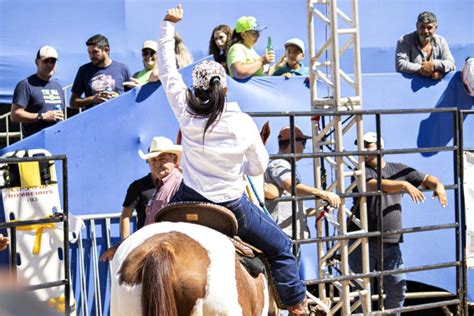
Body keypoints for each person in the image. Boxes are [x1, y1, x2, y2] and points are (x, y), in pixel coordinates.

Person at [158, 5, 308, 314]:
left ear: (195, 89)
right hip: (230, 207)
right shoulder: (242, 123)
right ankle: (297, 307)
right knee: (282, 248)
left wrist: (168, 26)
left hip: (187, 199)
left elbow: (166, 71)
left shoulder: (185, 112)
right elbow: (258, 167)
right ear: (224, 88)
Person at [348, 132, 448, 314]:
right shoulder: (359, 171)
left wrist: (438, 185)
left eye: (367, 145)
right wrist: (404, 185)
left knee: (397, 288)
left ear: (380, 149)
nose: (362, 149)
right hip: (362, 242)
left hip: (390, 242)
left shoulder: (398, 169)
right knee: (358, 293)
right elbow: (372, 184)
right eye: (360, 145)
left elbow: (426, 178)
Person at [100, 136, 183, 261]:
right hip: (155, 251)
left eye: (163, 159)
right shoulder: (157, 185)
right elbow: (127, 216)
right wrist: (125, 244)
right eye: (153, 160)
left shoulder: (180, 183)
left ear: (174, 159)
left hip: (166, 254)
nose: (158, 164)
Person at [265, 126, 341, 240]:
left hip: (286, 235)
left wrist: (316, 212)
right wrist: (323, 193)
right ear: (293, 142)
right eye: (303, 142)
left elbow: (290, 205)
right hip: (284, 235)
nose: (304, 147)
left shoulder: (282, 164)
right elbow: (290, 186)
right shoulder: (280, 163)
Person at [10, 45, 65, 137]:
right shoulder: (25, 85)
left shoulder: (58, 86)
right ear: (37, 62)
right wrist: (42, 116)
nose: (50, 65)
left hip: (57, 140)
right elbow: (15, 115)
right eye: (46, 61)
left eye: (53, 61)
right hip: (35, 144)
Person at [70, 34, 131, 109]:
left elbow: (131, 98)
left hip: (119, 117)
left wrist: (118, 97)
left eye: (95, 52)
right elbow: (73, 102)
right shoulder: (84, 70)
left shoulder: (122, 69)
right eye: (89, 52)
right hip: (94, 119)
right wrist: (93, 99)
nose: (91, 56)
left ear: (107, 50)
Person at [395, 11, 455, 79]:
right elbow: (400, 64)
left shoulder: (441, 41)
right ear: (417, 26)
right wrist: (425, 69)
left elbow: (451, 64)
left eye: (429, 28)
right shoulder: (404, 40)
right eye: (422, 27)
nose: (425, 31)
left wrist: (433, 65)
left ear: (436, 28)